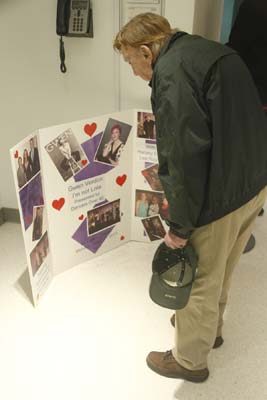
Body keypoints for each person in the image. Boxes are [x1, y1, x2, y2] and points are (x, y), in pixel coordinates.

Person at [114, 13, 267, 383]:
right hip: (253, 182)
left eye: (131, 60)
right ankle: (209, 329)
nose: (133, 71)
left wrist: (179, 227)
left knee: (198, 277)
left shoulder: (172, 74)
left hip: (219, 194)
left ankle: (189, 359)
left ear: (147, 51)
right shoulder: (210, 51)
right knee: (224, 267)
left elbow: (183, 155)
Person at [227, 0, 267, 251]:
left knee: (242, 158)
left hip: (254, 97)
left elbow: (235, 51)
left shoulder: (254, 6)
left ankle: (240, 220)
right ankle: (254, 206)